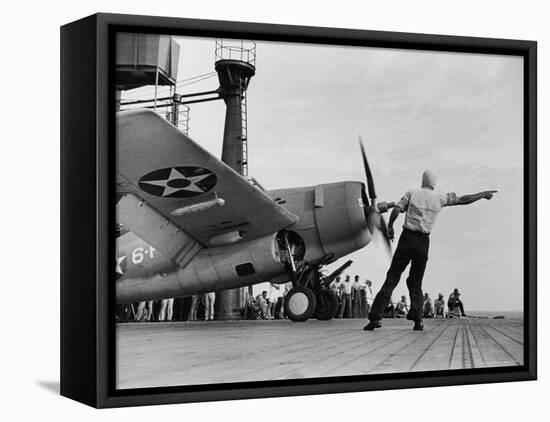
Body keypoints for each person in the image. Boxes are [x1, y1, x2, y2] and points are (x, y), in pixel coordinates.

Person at [364, 170, 496, 331]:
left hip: (407, 238)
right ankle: (418, 319)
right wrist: (482, 194)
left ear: (422, 180)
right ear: (434, 183)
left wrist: (390, 227)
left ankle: (375, 317)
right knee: (415, 282)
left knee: (392, 277)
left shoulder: (412, 192)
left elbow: (397, 209)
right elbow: (463, 199)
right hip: (423, 242)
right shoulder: (439, 198)